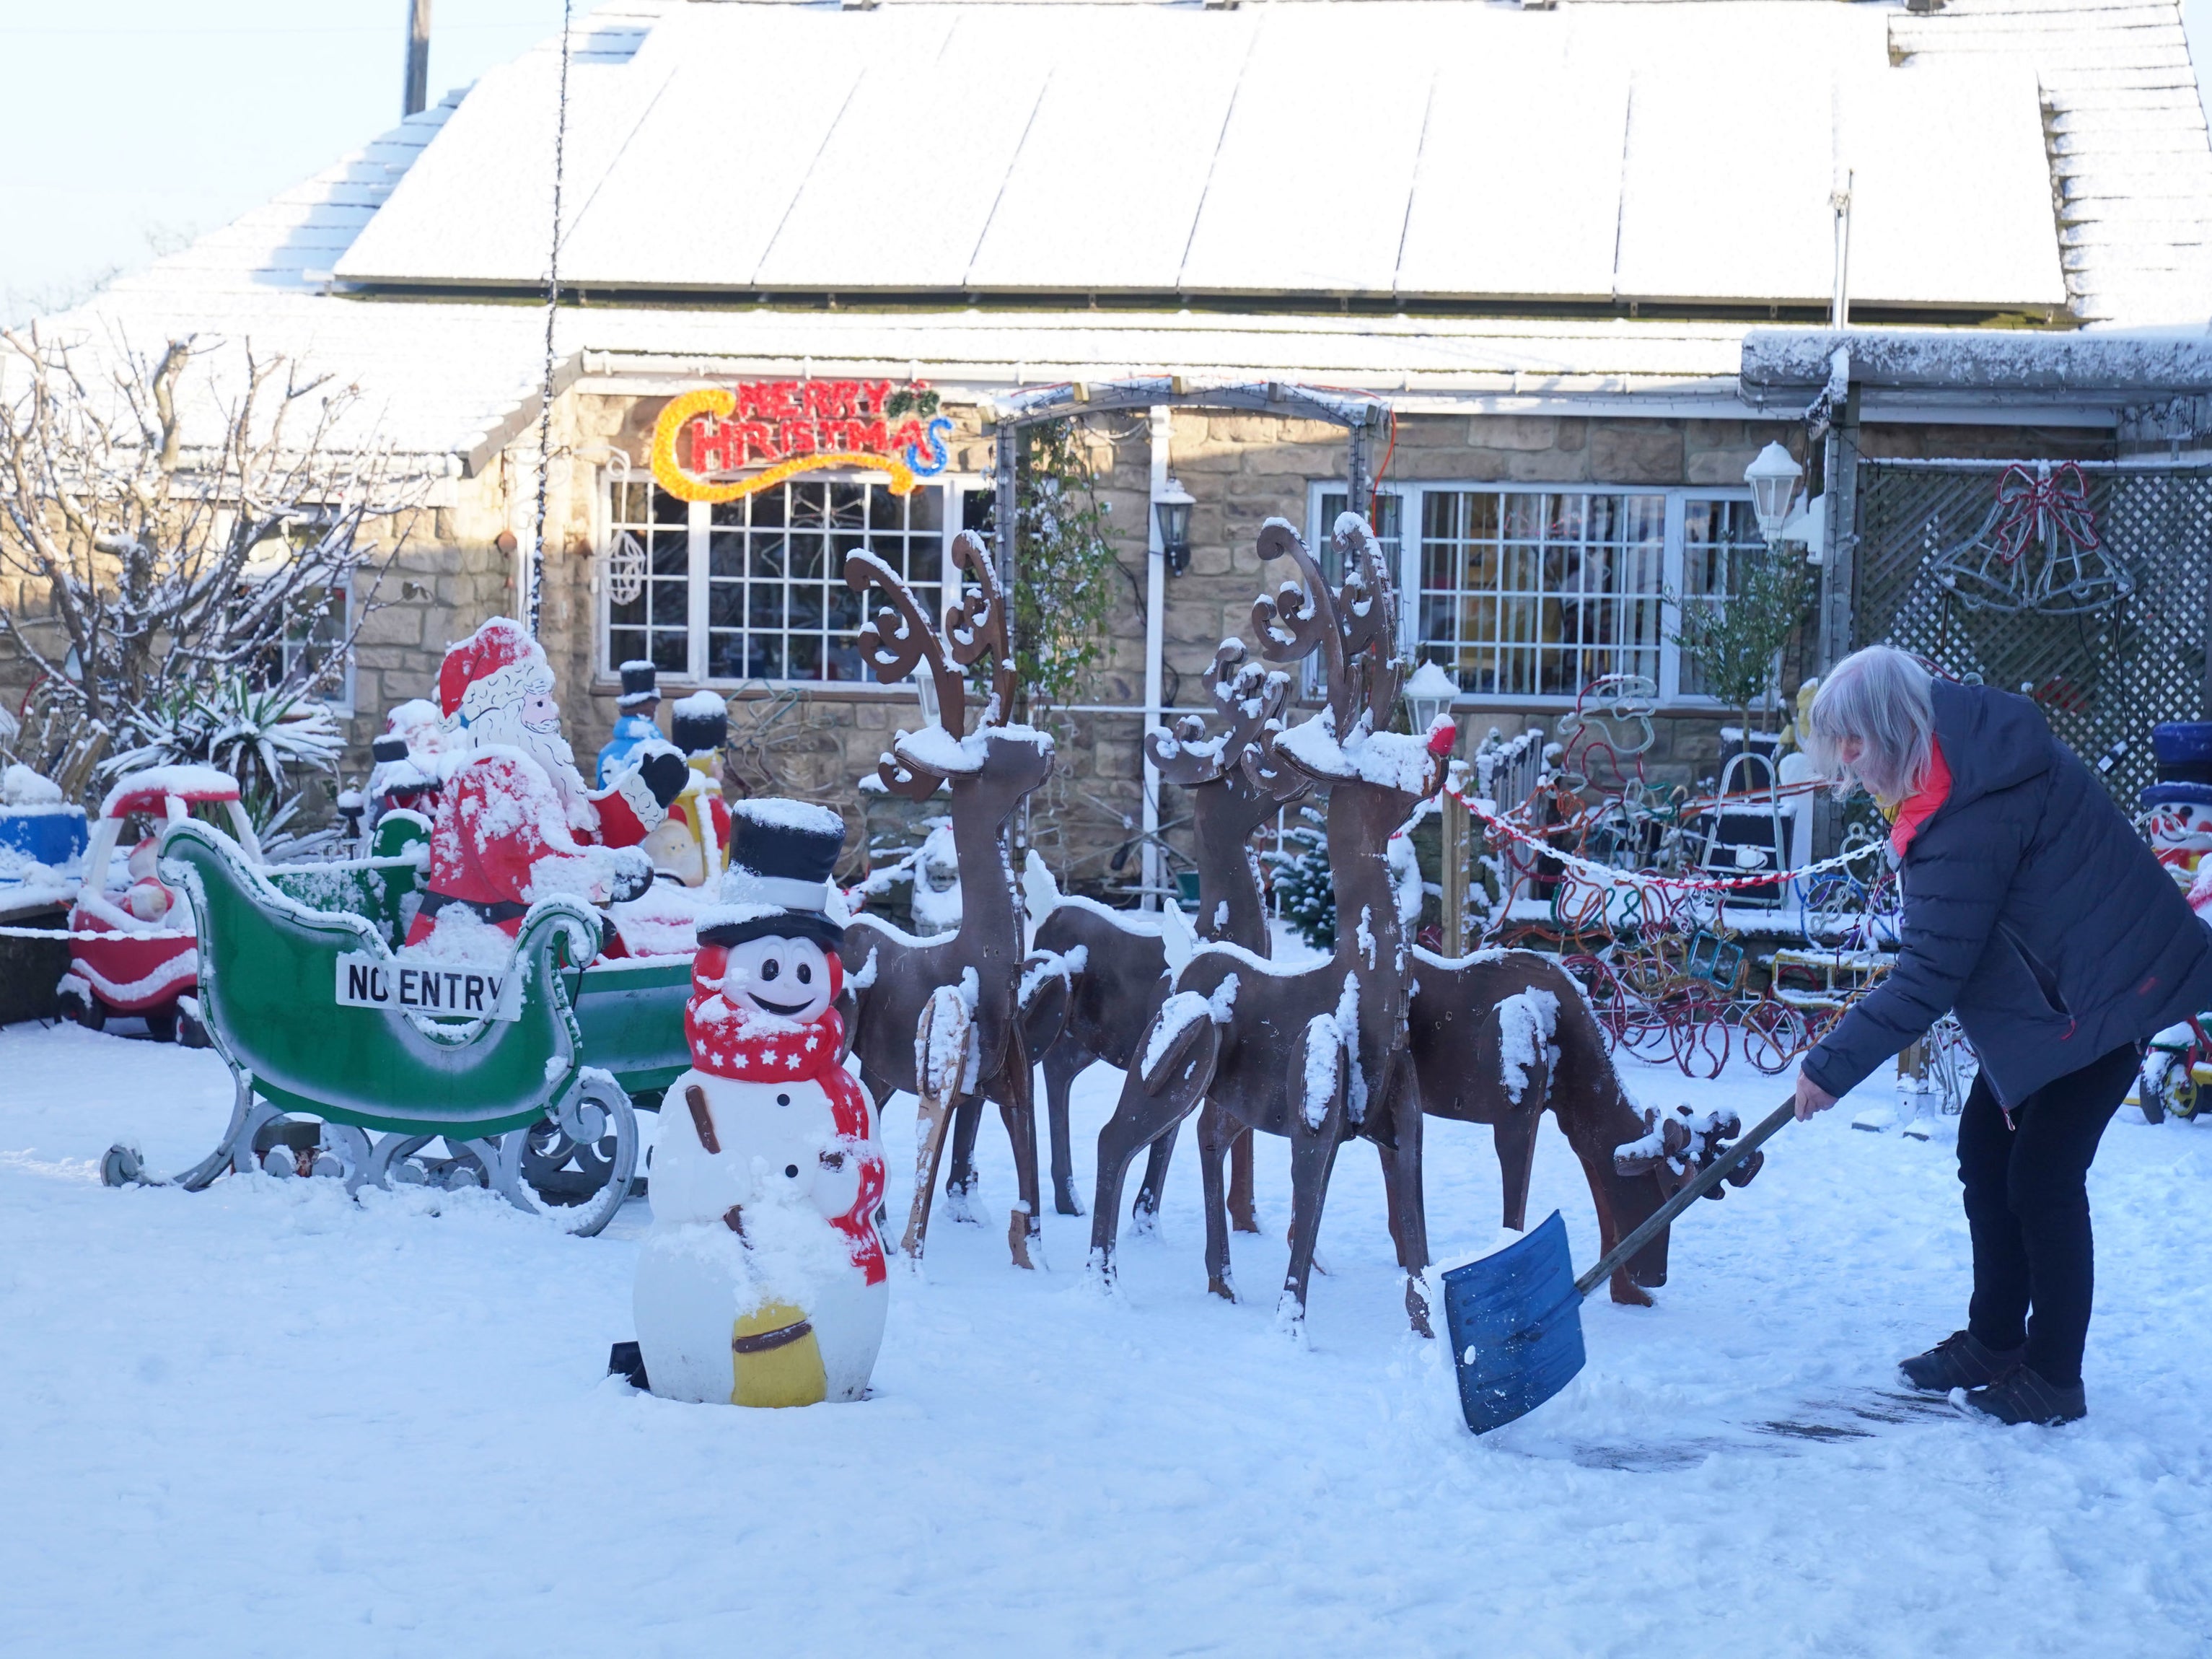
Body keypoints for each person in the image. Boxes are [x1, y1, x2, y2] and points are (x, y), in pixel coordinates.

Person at [1794, 647, 2212, 1425]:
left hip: (2108, 995)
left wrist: (1829, 1067)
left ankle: (2053, 1376)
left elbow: (1928, 975)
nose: (1847, 762)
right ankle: (1995, 1340)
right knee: (1987, 1152)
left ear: (1895, 727)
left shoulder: (1971, 811)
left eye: (1856, 741)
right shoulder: (1957, 765)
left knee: (2043, 1178)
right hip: (2054, 1000)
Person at [405, 618, 689, 947]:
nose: (553, 712)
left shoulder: (534, 772)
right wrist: (606, 874)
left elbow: (580, 836)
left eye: (550, 700)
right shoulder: (487, 775)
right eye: (540, 702)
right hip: (480, 943)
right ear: (504, 712)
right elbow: (522, 867)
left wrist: (643, 793)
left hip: (530, 934)